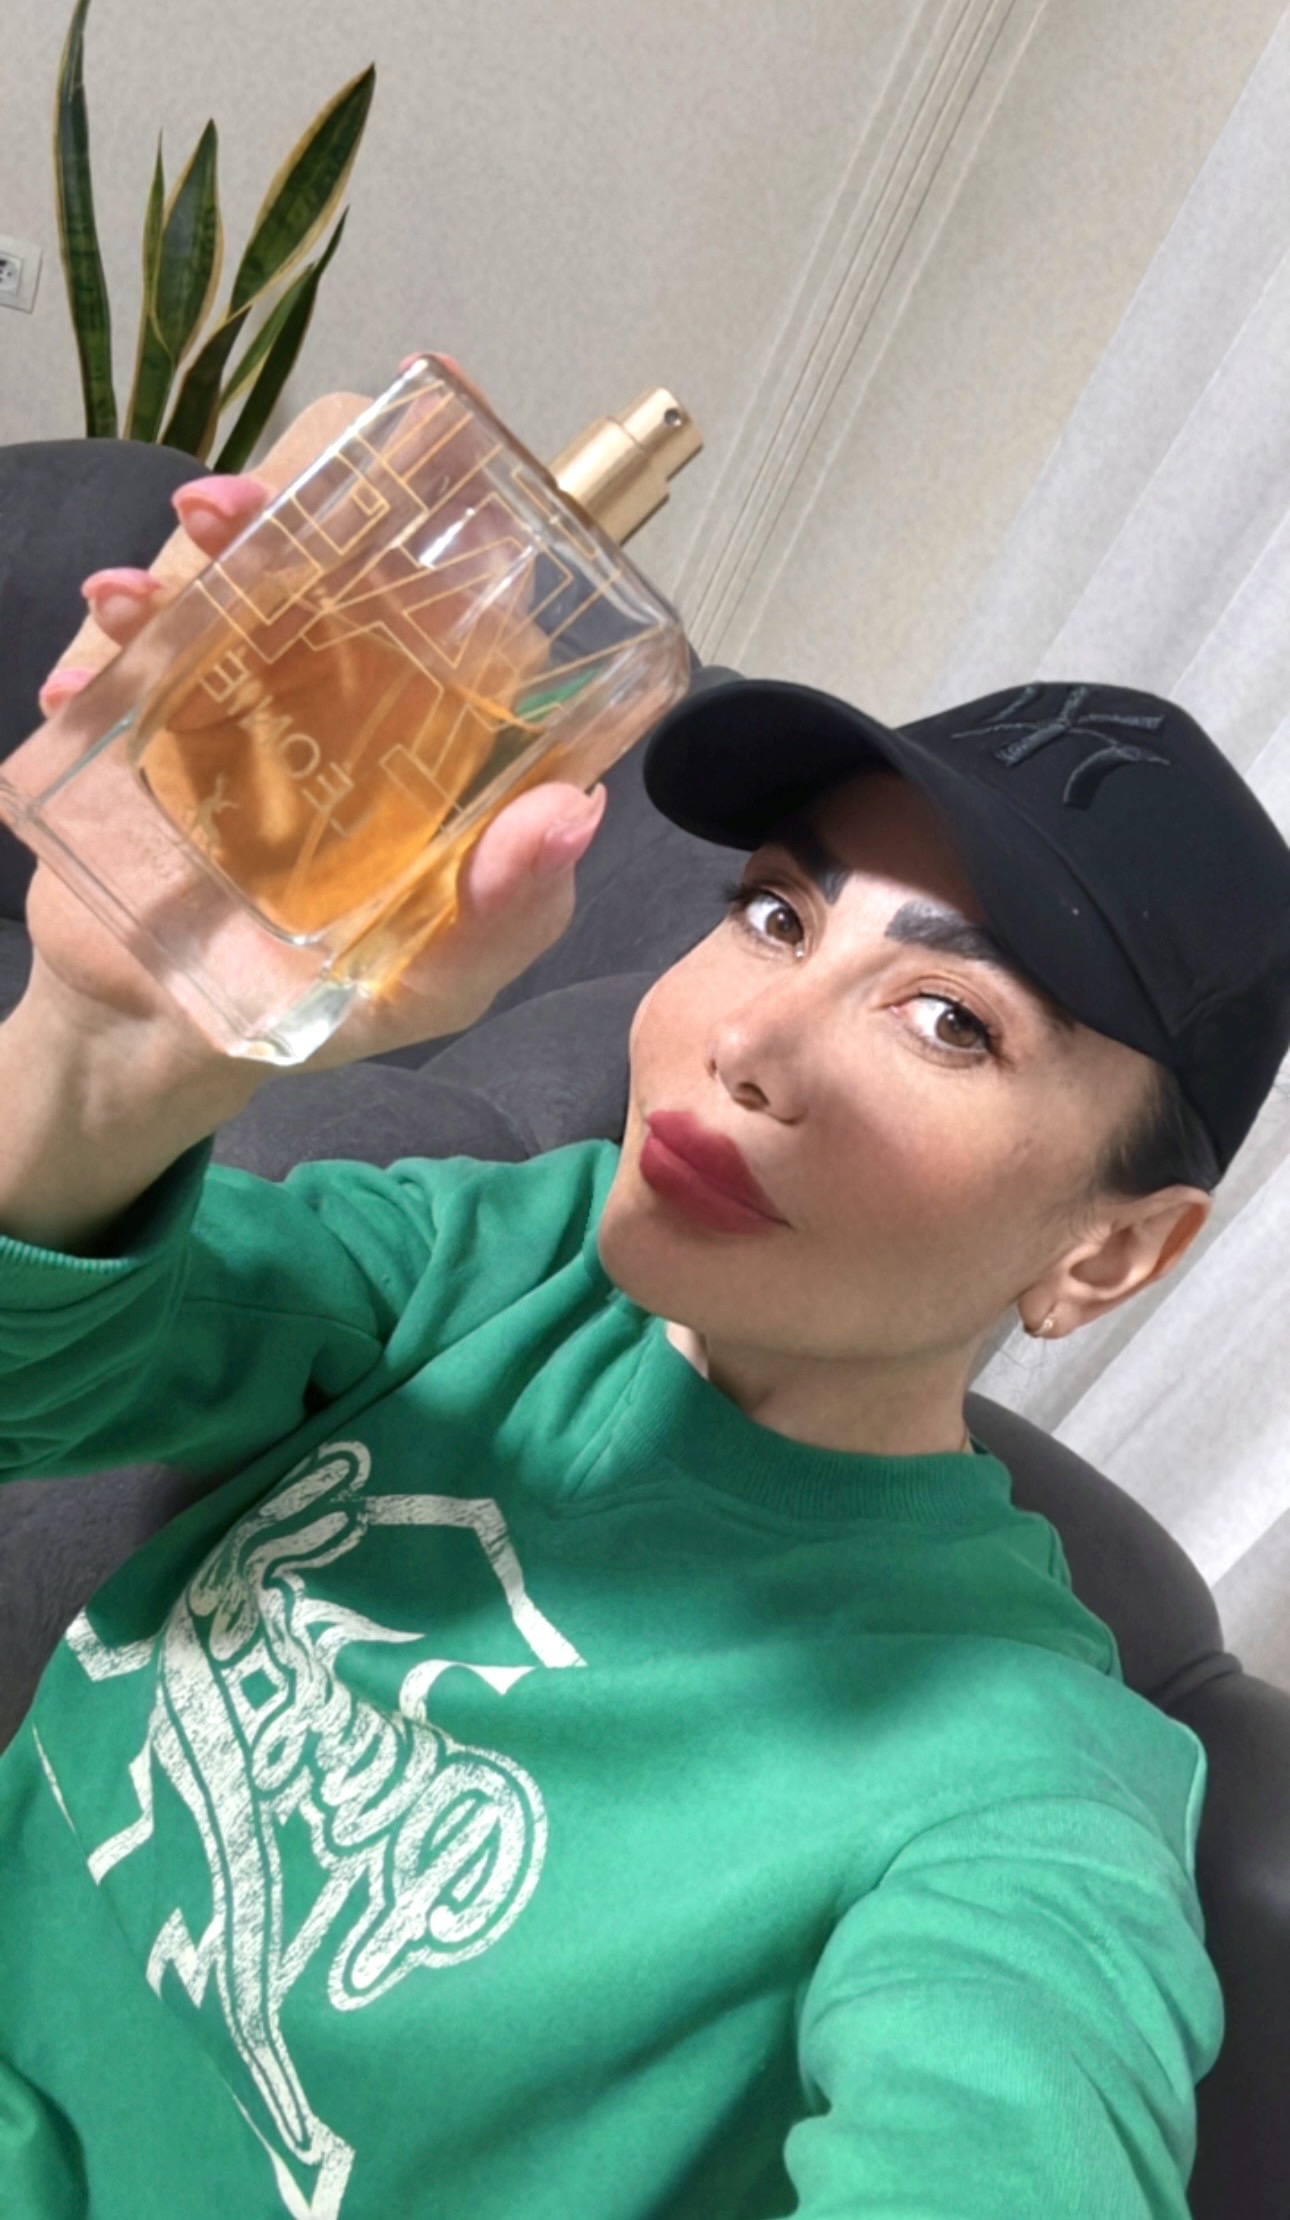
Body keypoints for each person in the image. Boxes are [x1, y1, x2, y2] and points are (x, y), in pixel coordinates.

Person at [1, 406, 1287, 2220]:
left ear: (1110, 1255)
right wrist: (99, 1038)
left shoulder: (1020, 1792)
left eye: (950, 1022)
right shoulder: (501, 1267)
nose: (747, 1039)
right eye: (775, 915)